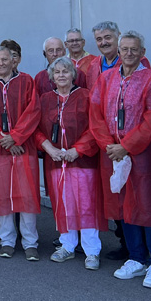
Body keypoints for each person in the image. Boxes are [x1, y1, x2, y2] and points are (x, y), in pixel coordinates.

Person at [89, 31, 151, 289]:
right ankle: (136, 258)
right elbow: (96, 114)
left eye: (134, 49)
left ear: (142, 53)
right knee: (124, 205)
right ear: (118, 52)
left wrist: (126, 146)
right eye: (125, 49)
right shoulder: (105, 78)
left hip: (142, 155)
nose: (129, 54)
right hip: (113, 154)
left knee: (147, 206)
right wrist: (108, 145)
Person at [35, 56, 105, 270]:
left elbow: (95, 126)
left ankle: (92, 251)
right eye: (57, 72)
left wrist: (78, 150)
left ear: (73, 75)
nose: (62, 75)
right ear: (51, 77)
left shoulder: (85, 96)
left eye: (66, 71)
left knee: (86, 204)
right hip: (56, 161)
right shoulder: (45, 99)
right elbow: (35, 128)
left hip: (82, 162)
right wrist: (49, 148)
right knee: (63, 203)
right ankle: (67, 244)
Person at [0, 46, 41, 260]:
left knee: (28, 194)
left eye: (5, 59)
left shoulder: (27, 81)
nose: (1, 63)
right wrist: (5, 139)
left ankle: (30, 241)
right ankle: (7, 240)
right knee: (2, 193)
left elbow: (33, 112)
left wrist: (16, 136)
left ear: (13, 61)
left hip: (24, 146)